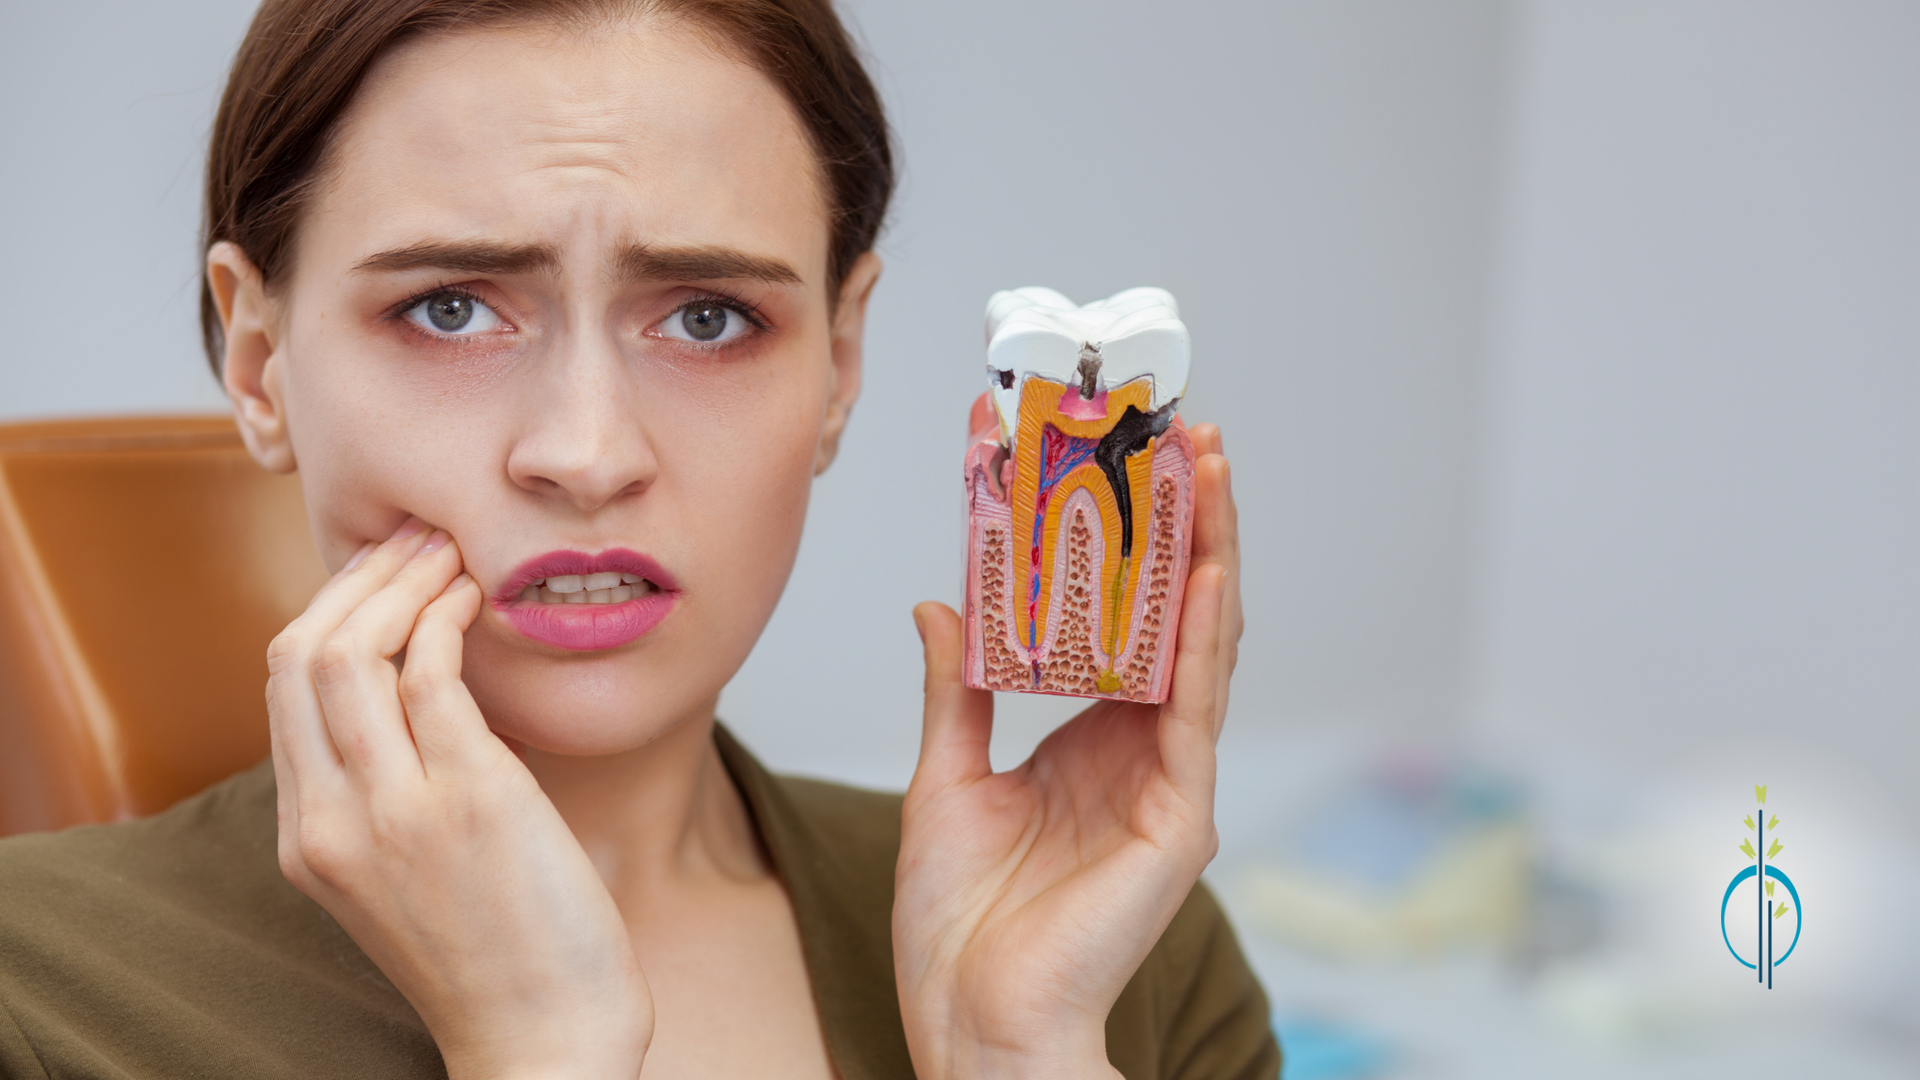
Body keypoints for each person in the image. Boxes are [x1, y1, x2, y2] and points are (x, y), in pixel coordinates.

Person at [0, 1, 1275, 1077]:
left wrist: (1022, 1053)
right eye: (449, 309)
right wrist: (542, 1046)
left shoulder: (1116, 944)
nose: (590, 451)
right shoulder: (37, 997)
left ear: (840, 364)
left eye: (709, 319)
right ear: (261, 362)